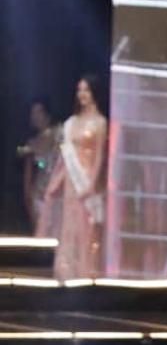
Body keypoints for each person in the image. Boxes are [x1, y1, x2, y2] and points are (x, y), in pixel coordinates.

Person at [41, 75, 107, 279]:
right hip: (71, 182)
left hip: (86, 183)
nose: (82, 94)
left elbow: (99, 157)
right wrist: (56, 183)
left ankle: (85, 274)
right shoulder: (71, 122)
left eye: (86, 90)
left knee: (87, 230)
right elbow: (65, 159)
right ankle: (65, 274)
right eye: (79, 90)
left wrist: (91, 185)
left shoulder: (100, 122)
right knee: (68, 227)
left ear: (94, 93)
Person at [17, 97, 61, 234]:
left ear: (47, 113)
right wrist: (28, 198)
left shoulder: (59, 134)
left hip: (58, 192)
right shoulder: (32, 143)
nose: (35, 116)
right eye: (33, 113)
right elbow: (28, 174)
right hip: (39, 195)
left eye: (39, 112)